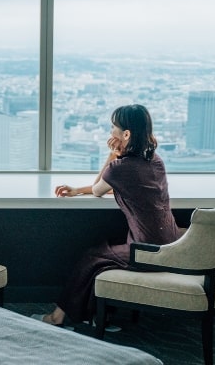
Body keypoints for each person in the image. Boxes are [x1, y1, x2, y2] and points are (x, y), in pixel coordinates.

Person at [36, 104, 182, 327]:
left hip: (147, 251)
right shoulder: (155, 161)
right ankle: (96, 317)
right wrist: (77, 190)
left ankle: (58, 317)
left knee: (92, 257)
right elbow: (122, 186)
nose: (110, 132)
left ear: (126, 134)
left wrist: (112, 155)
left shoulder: (120, 168)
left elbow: (98, 188)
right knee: (104, 256)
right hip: (171, 244)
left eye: (114, 127)